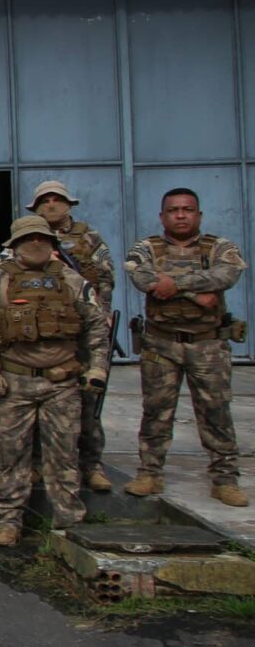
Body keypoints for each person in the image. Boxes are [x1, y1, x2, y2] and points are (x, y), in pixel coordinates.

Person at [0, 216, 111, 546]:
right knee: (9, 458)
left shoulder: (72, 280)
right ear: (15, 245)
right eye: (28, 238)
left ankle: (68, 523)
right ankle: (8, 520)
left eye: (42, 238)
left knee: (64, 457)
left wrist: (97, 368)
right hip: (12, 383)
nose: (36, 243)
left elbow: (97, 326)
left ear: (52, 244)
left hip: (61, 383)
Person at [123, 188, 248, 507]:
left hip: (207, 344)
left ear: (199, 215)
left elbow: (227, 275)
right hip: (161, 344)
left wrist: (176, 284)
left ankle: (225, 479)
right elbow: (142, 278)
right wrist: (196, 293)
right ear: (162, 216)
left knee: (216, 412)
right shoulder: (146, 248)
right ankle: (149, 473)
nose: (180, 215)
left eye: (187, 209)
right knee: (156, 411)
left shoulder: (220, 247)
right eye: (173, 210)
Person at [28, 180, 117, 491]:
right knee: (35, 399)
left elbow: (105, 279)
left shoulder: (90, 238)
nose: (51, 205)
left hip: (80, 329)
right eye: (45, 200)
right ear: (36, 208)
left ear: (69, 204)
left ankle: (91, 465)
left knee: (87, 400)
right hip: (40, 333)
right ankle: (38, 462)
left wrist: (103, 313)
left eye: (57, 199)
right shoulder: (25, 237)